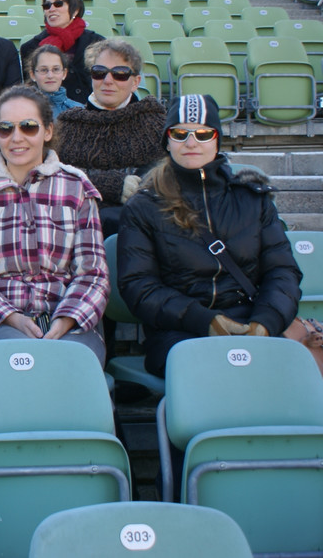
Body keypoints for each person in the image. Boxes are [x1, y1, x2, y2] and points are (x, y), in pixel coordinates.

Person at [117, 94, 302, 378]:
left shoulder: (253, 199)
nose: (191, 143)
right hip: (180, 332)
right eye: (180, 133)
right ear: (167, 141)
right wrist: (205, 320)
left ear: (217, 140)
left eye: (203, 134)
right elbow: (139, 286)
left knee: (283, 374)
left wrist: (266, 322)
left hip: (253, 322)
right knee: (219, 374)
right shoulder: (144, 206)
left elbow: (282, 271)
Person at [0, 85, 110, 365]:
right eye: (6, 128)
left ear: (48, 131)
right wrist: (11, 318)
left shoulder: (76, 187)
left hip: (66, 324)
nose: (16, 137)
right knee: (15, 364)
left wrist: (66, 319)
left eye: (29, 127)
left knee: (65, 367)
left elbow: (93, 273)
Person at [56, 38, 166, 235]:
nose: (108, 80)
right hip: (74, 227)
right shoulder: (67, 125)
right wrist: (110, 185)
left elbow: (162, 179)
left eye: (120, 74)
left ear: (135, 82)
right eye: (99, 72)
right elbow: (56, 179)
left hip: (141, 227)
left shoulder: (155, 124)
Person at [19, 0, 105, 102]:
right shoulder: (31, 47)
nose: (51, 9)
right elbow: (32, 89)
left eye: (58, 4)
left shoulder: (97, 43)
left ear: (75, 10)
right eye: (47, 6)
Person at [26, 44, 83, 118]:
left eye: (56, 69)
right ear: (32, 75)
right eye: (43, 70)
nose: (50, 76)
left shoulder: (79, 111)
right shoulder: (22, 109)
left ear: (64, 73)